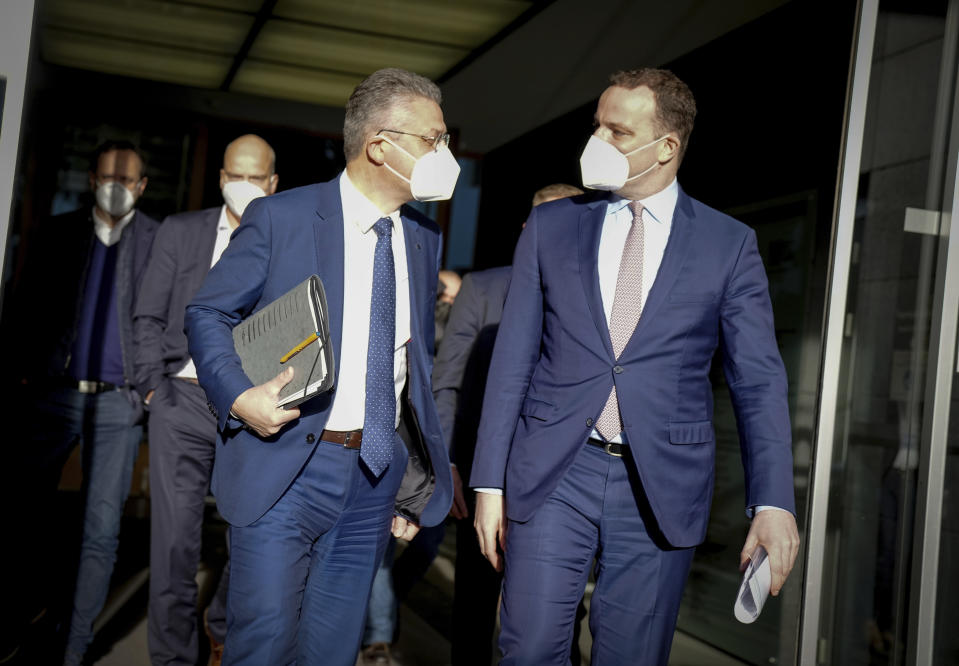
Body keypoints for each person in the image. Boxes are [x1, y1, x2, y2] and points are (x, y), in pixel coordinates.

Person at [471, 68, 800, 666]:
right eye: (597, 124)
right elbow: (512, 361)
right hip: (554, 473)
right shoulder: (552, 226)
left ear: (667, 146)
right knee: (528, 650)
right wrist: (489, 482)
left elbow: (758, 380)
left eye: (617, 131)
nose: (597, 141)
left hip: (661, 485)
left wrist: (773, 501)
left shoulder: (729, 245)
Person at [184, 67, 455, 665]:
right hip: (285, 466)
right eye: (433, 140)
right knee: (263, 646)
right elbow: (207, 313)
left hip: (372, 480)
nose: (445, 155)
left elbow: (409, 375)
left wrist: (412, 482)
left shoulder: (422, 238)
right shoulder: (281, 218)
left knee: (331, 653)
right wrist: (238, 398)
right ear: (379, 145)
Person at [1, 140, 159, 666]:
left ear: (141, 187)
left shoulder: (158, 243)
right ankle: (12, 623)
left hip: (118, 406)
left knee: (101, 530)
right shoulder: (58, 233)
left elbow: (168, 318)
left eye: (128, 179)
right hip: (52, 398)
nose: (118, 186)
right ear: (93, 179)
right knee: (22, 514)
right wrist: (22, 378)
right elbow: (25, 307)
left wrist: (148, 385)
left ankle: (73, 648)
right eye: (108, 176)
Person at [133, 134, 278, 666]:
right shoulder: (181, 232)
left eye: (254, 177)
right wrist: (153, 387)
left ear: (272, 184)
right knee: (174, 547)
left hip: (248, 410)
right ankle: (172, 658)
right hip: (182, 400)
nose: (242, 186)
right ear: (221, 178)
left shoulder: (280, 240)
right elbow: (148, 315)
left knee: (253, 539)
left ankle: (219, 627)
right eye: (233, 175)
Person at [432, 184, 581, 666]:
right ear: (527, 228)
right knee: (476, 600)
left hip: (563, 479)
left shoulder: (594, 297)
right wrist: (449, 462)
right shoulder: (485, 287)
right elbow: (448, 378)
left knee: (562, 612)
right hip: (483, 470)